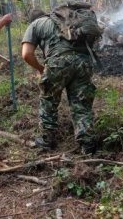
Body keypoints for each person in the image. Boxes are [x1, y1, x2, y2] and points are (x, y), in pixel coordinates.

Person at [21, 9, 96, 154]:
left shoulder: (36, 24)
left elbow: (26, 54)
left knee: (49, 99)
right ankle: (87, 144)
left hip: (58, 63)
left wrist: (40, 69)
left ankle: (47, 139)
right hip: (84, 62)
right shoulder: (65, 20)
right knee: (81, 103)